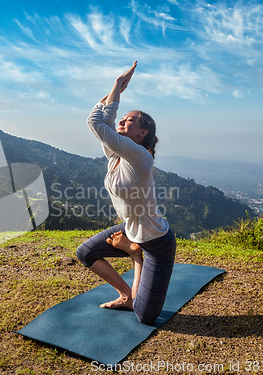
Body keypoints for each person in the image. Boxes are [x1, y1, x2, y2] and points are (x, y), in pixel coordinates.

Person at [76, 61, 177, 325]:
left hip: (156, 243)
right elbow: (105, 121)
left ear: (142, 133)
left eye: (130, 120)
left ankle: (135, 255)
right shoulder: (116, 155)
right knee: (85, 253)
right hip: (131, 228)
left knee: (144, 317)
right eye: (124, 118)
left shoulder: (140, 156)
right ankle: (125, 294)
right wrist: (116, 91)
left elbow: (95, 122)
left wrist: (116, 85)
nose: (122, 120)